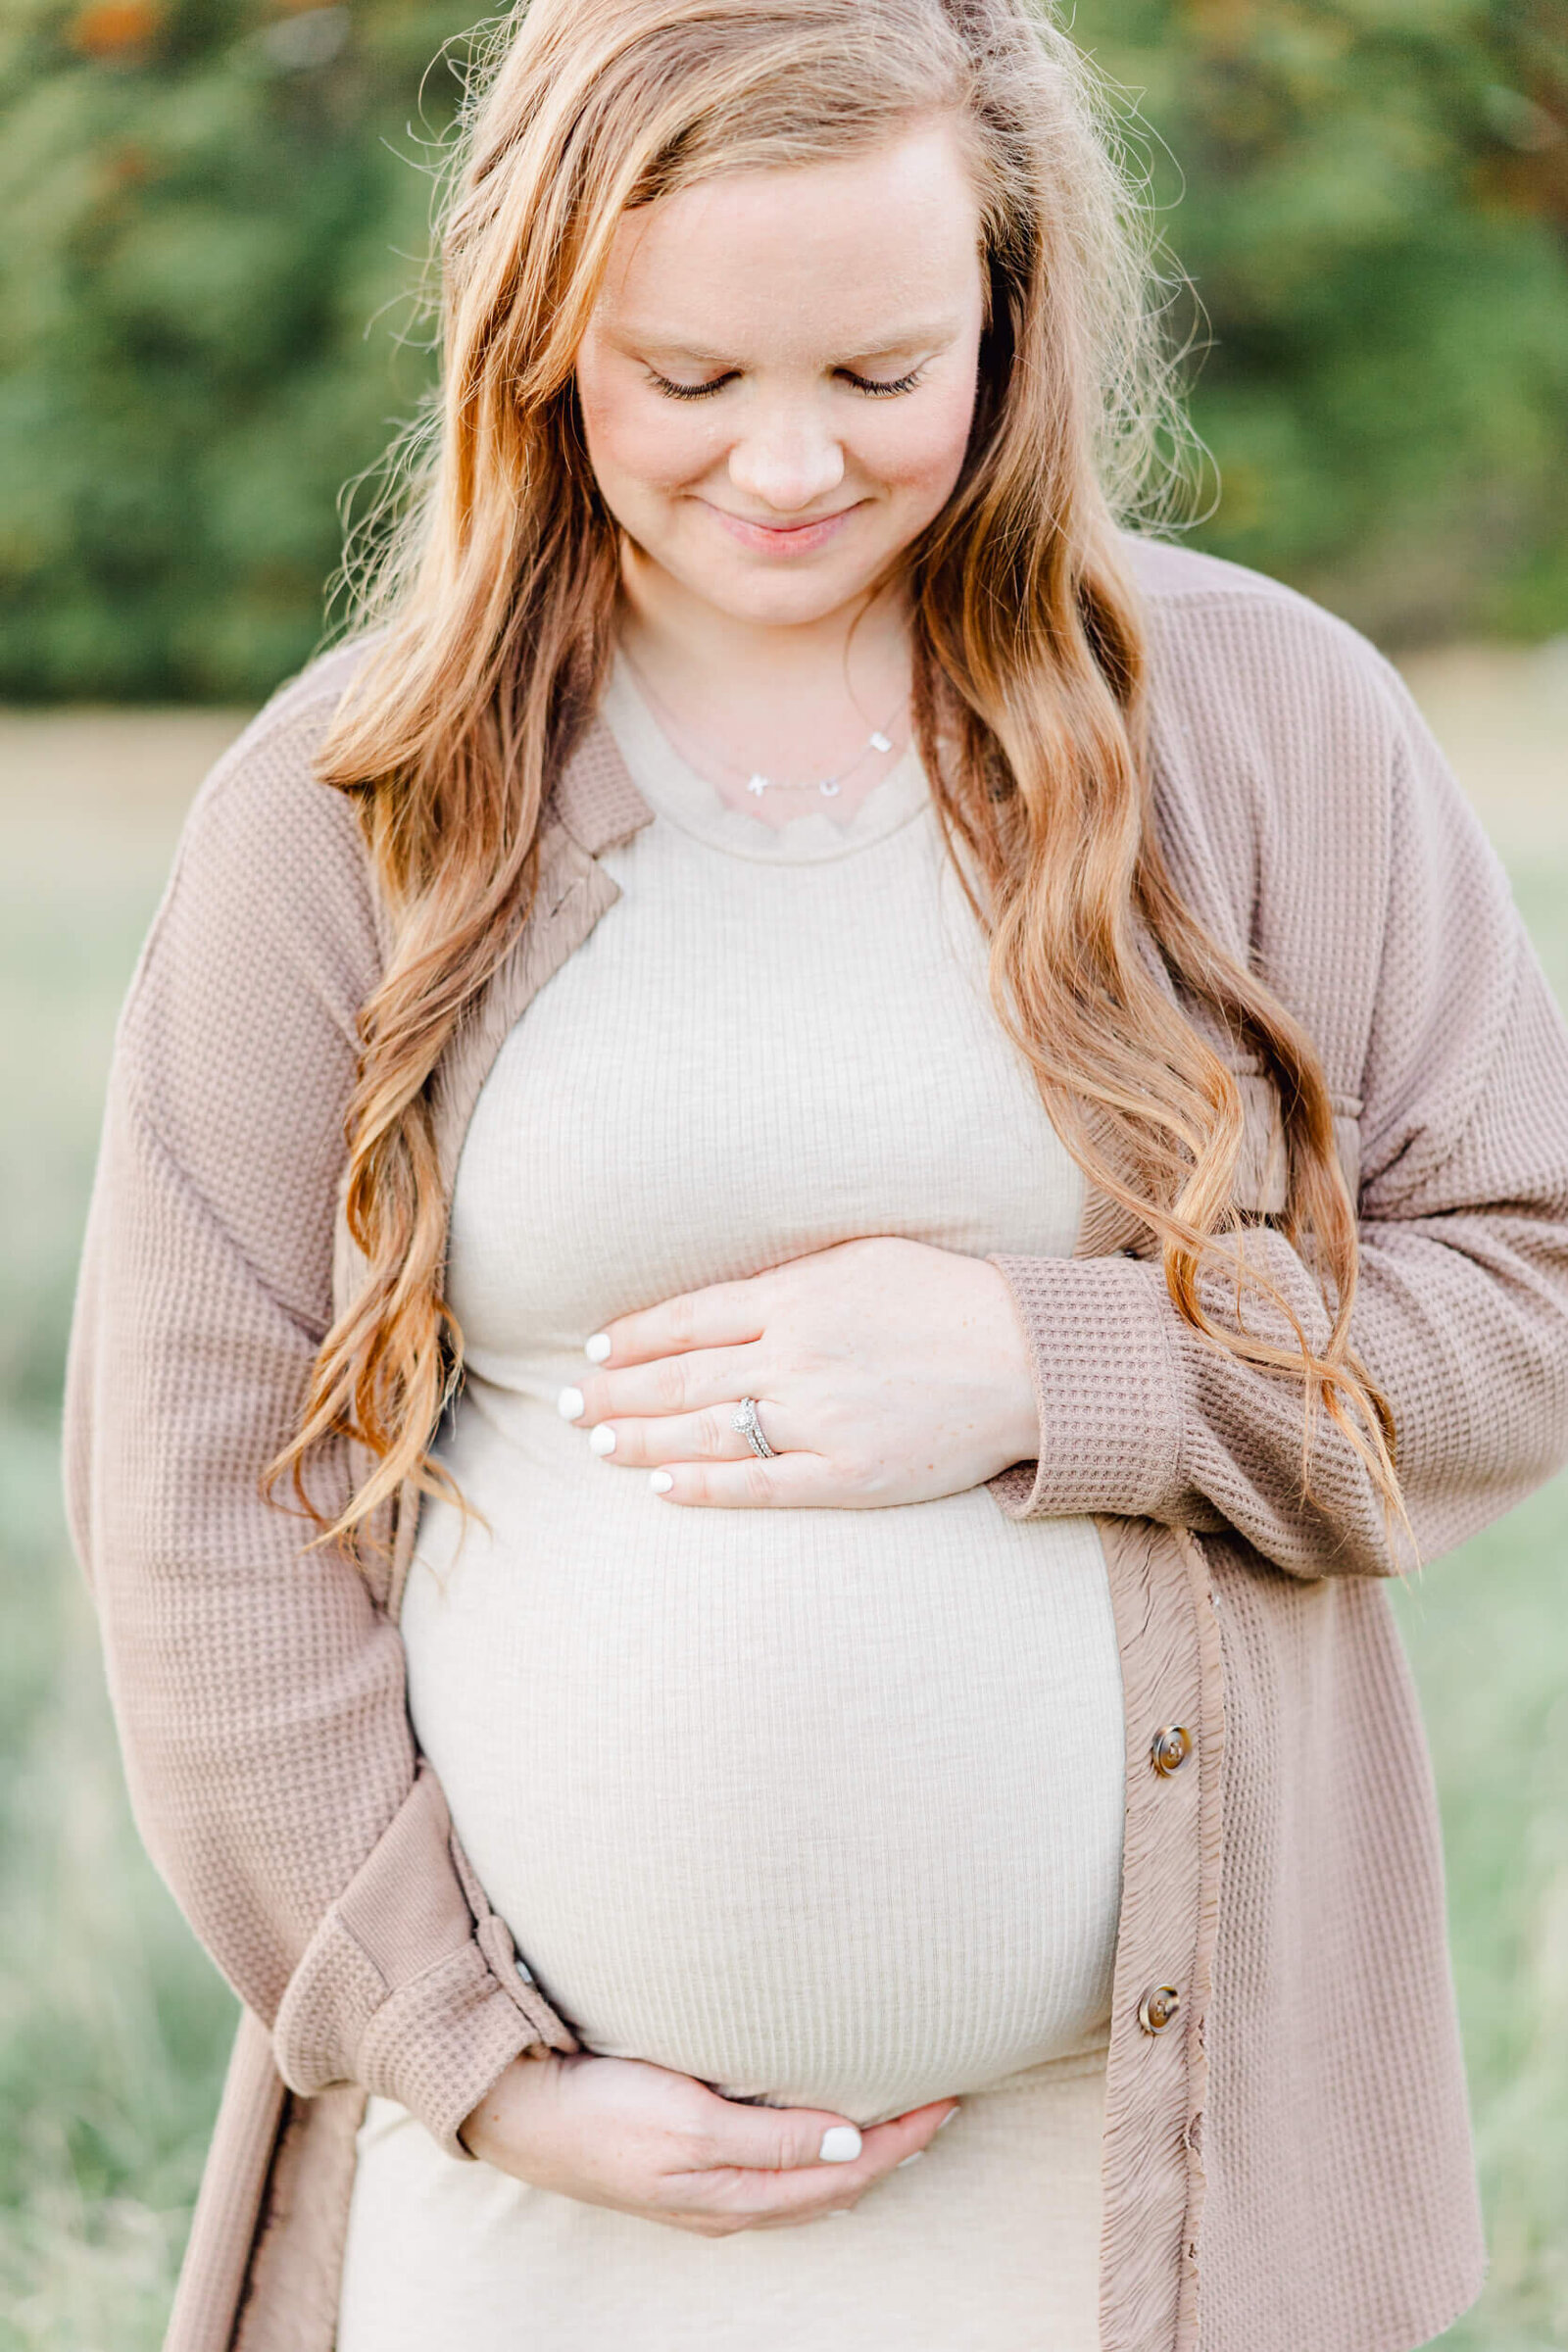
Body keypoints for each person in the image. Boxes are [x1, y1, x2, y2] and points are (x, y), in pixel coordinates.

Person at [64, 1, 1568, 2346]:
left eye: (880, 375)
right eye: (687, 380)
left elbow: (1526, 1301)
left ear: (1012, 313)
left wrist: (1049, 1359)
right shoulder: (349, 805)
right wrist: (480, 2072)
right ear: (539, 339)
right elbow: (195, 1492)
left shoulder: (1259, 724)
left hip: (1120, 2193)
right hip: (531, 2217)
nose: (785, 464)